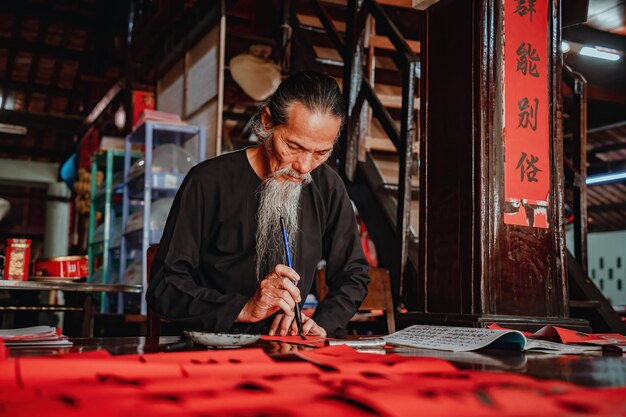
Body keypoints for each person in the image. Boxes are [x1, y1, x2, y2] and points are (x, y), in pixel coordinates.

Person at [146, 71, 370, 337]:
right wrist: (243, 308)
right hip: (215, 349)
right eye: (293, 146)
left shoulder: (328, 186)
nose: (304, 166)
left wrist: (322, 322)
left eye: (321, 152)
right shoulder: (207, 181)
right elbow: (165, 286)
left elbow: (353, 273)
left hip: (292, 351)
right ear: (267, 122)